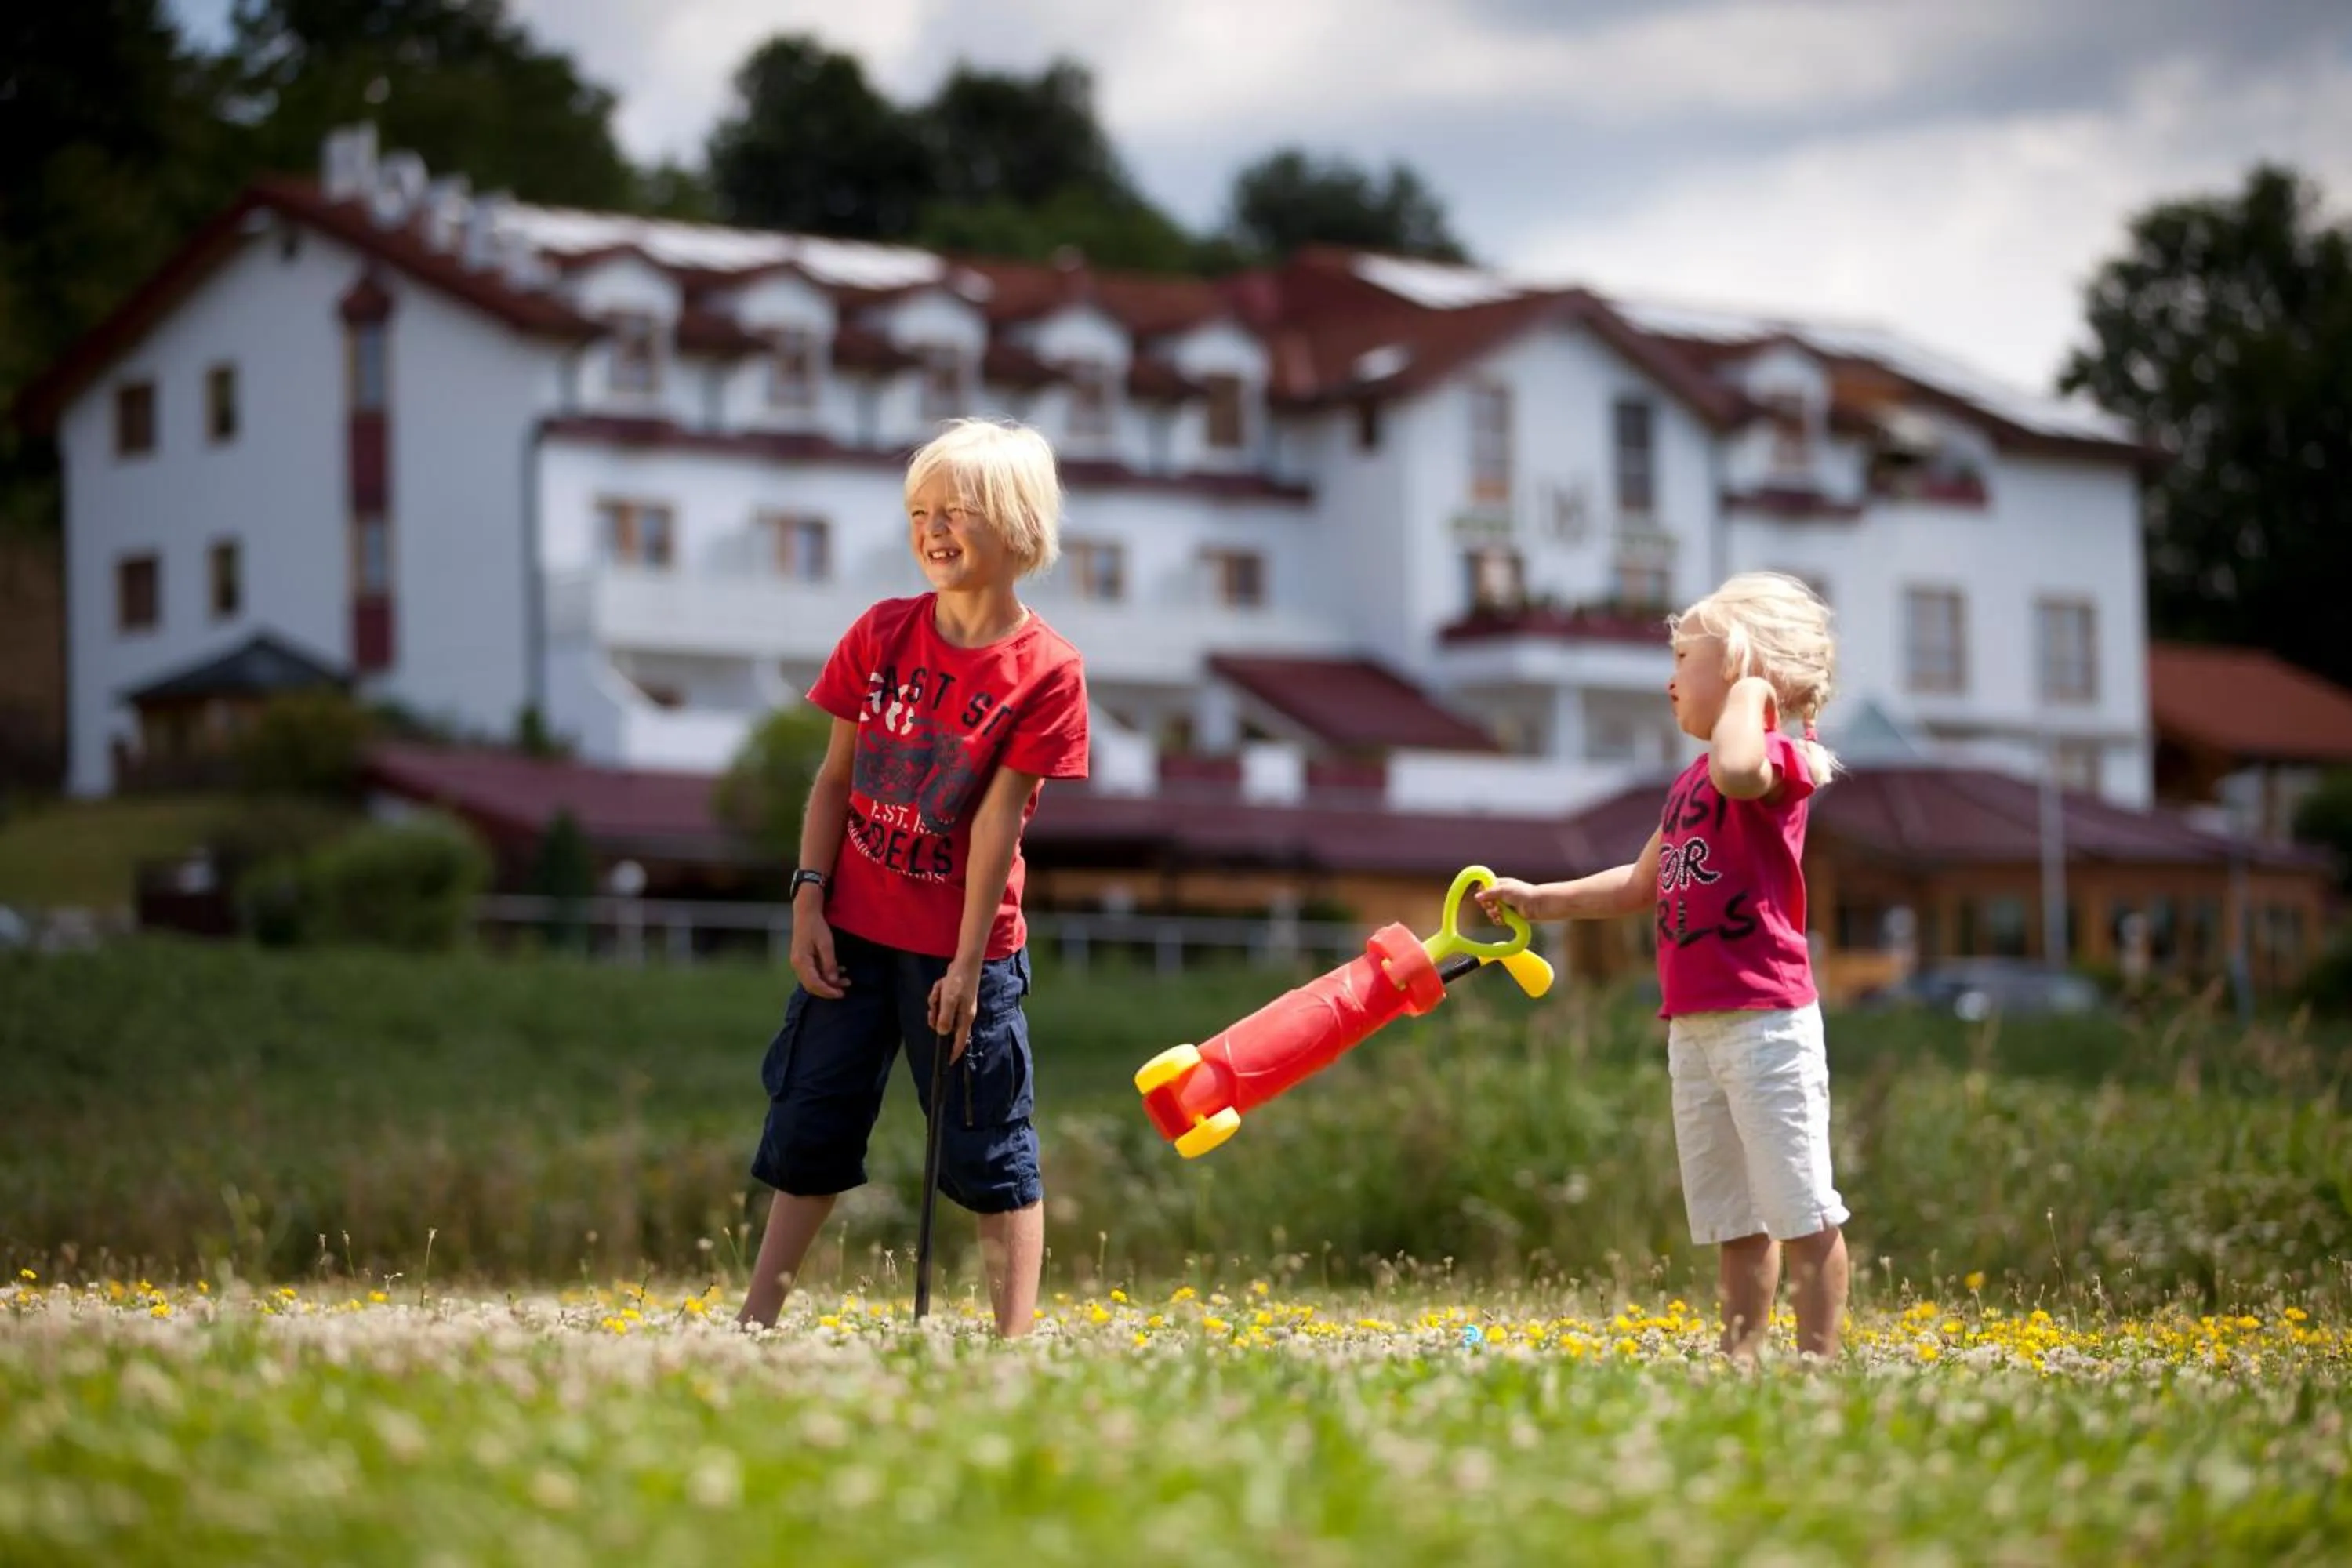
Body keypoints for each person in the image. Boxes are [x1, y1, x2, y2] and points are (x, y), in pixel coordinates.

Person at [736, 417, 1089, 1339]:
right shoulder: (882, 633)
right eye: (919, 512)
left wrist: (968, 967)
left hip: (961, 949)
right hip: (850, 930)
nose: (933, 529)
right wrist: (809, 895)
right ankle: (756, 1318)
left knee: (988, 1147)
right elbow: (833, 781)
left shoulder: (1047, 671)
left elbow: (997, 826)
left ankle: (1011, 1344)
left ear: (1017, 526)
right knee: (811, 1120)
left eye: (957, 511)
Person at [1478, 572, 1851, 1364]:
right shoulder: (1687, 786)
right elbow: (1641, 884)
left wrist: (1752, 697)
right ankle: (1740, 1358)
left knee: (1801, 1207)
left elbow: (1739, 770)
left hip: (1765, 1023)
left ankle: (1818, 1363)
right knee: (1732, 1219)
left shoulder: (1775, 760)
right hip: (1694, 1024)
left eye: (1686, 655)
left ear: (1745, 669)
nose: (1669, 675)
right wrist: (1540, 899)